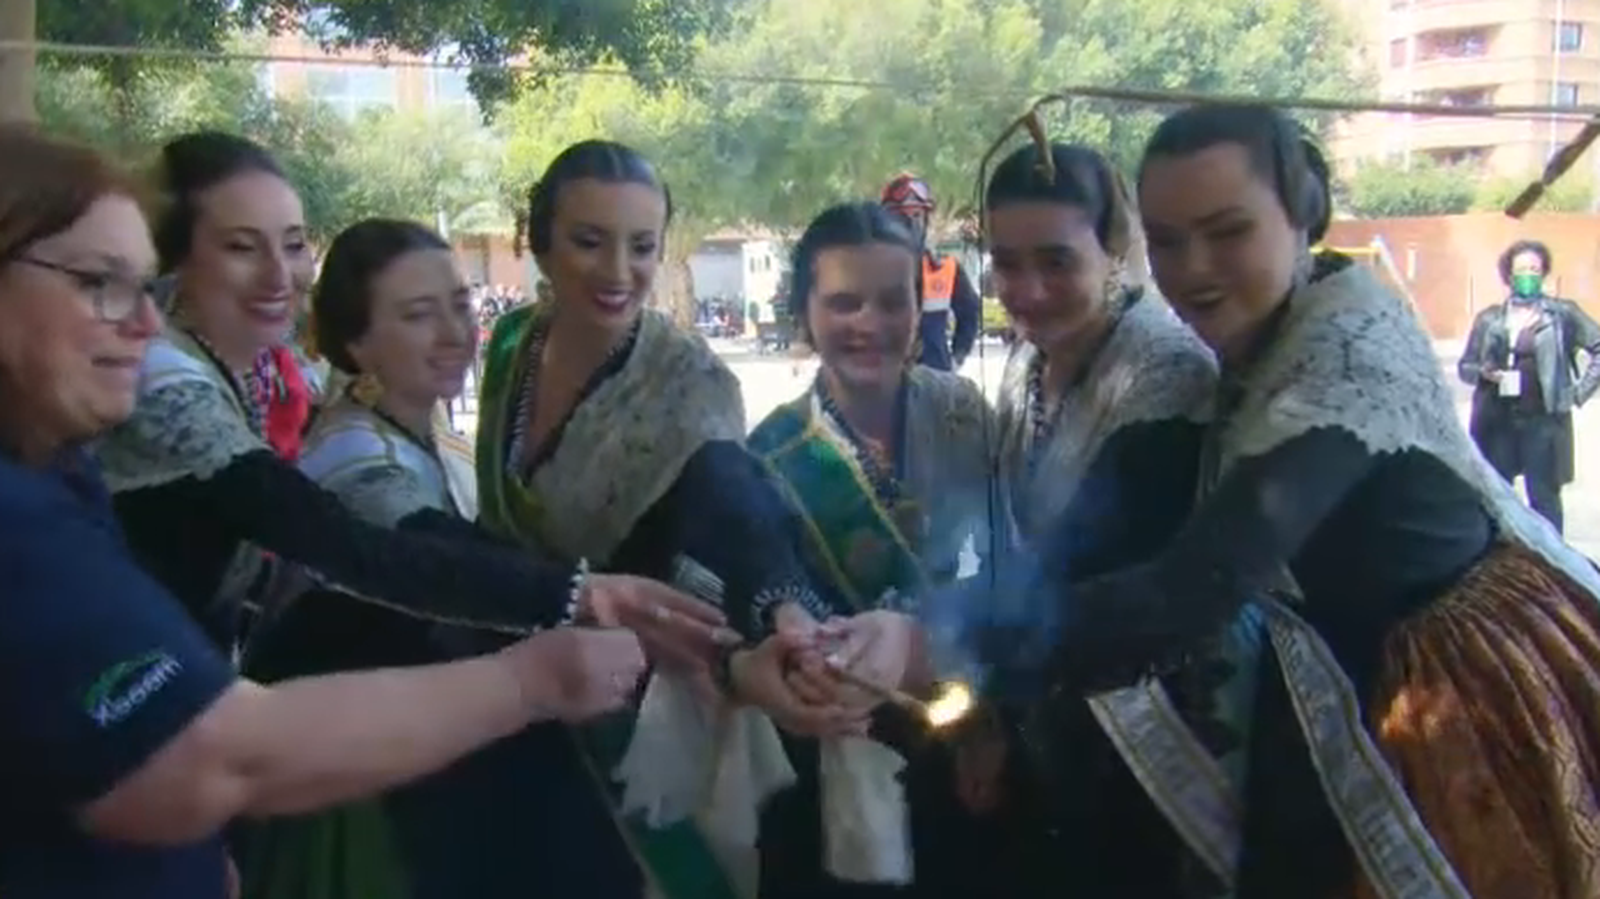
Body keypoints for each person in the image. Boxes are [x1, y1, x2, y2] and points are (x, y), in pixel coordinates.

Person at [960, 103, 1600, 899]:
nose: (1193, 268)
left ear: (1305, 217)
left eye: (1228, 232)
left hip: (1456, 685)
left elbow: (1194, 587)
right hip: (1331, 675)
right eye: (1167, 241)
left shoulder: (1348, 344)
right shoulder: (1263, 326)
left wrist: (942, 638)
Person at [0, 123, 655, 899]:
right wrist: (546, 652)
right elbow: (211, 745)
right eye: (97, 281)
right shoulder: (71, 475)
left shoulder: (86, 448)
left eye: (294, 242)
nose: (142, 324)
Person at [94, 131, 723, 670]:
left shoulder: (247, 375)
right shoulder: (166, 379)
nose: (279, 275)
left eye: (292, 243)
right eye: (240, 246)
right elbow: (357, 547)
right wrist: (588, 596)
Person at [480, 139, 913, 898]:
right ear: (539, 241)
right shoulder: (513, 345)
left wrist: (783, 611)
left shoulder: (687, 380)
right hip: (504, 684)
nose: (619, 271)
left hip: (633, 702)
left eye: (641, 246)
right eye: (589, 241)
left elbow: (729, 512)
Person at [936, 138, 1220, 897]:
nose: (1026, 289)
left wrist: (964, 670)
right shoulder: (1029, 363)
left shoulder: (1166, 374)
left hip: (1143, 735)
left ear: (1116, 247)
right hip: (1044, 708)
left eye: (1056, 260)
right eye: (1007, 261)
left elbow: (1103, 572)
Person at [745, 202, 995, 899]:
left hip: (956, 734)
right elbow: (750, 607)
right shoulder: (767, 454)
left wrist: (991, 712)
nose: (870, 323)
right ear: (804, 312)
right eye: (843, 302)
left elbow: (1010, 566)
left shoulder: (965, 415)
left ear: (922, 305)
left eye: (893, 300)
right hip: (825, 752)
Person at [1458, 238, 1600, 532]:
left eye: (1535, 269)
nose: (1528, 275)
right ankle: (1499, 568)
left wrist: (1577, 392)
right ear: (1508, 275)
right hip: (1496, 421)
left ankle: (1552, 568)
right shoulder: (1490, 318)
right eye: (1521, 269)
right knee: (1496, 501)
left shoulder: (1562, 315)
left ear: (1545, 273)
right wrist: (1484, 373)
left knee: (1545, 501)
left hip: (1544, 422)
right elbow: (1465, 367)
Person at [880, 174, 981, 372]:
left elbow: (970, 314)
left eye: (917, 215)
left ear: (926, 219)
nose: (910, 225)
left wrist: (956, 359)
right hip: (884, 385)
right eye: (901, 217)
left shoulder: (946, 270)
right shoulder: (866, 272)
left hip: (936, 382)